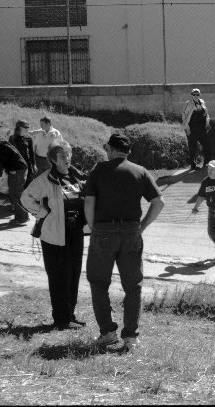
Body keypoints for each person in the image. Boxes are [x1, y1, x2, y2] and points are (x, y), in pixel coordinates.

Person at [84, 133, 165, 352]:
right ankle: (130, 336)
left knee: (99, 282)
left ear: (110, 149)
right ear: (128, 151)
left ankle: (108, 333)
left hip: (103, 230)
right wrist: (142, 226)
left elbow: (89, 203)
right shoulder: (140, 171)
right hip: (131, 230)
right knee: (133, 285)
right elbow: (158, 203)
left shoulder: (99, 170)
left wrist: (93, 228)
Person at [21, 141, 87, 331]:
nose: (67, 159)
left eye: (68, 154)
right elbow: (25, 198)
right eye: (62, 156)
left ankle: (70, 315)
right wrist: (42, 213)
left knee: (74, 274)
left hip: (75, 232)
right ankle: (61, 319)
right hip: (53, 234)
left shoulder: (77, 176)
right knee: (59, 276)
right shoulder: (44, 179)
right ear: (53, 160)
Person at [0, 131, 29, 223]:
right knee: (14, 193)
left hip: (17, 169)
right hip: (17, 169)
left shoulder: (1, 146)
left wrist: (12, 169)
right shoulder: (0, 144)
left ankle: (22, 218)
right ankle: (22, 217)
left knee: (16, 194)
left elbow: (13, 156)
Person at [182, 88, 212, 170]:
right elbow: (184, 116)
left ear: (199, 95)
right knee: (192, 147)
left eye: (197, 94)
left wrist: (207, 122)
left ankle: (206, 163)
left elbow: (207, 114)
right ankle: (193, 165)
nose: (195, 96)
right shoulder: (188, 103)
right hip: (193, 128)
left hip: (202, 128)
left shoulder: (202, 102)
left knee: (207, 145)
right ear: (191, 95)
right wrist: (186, 127)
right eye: (194, 94)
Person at [9, 120, 36, 187]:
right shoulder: (12, 138)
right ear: (20, 128)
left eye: (28, 128)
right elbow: (9, 152)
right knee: (18, 182)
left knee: (28, 180)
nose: (27, 129)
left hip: (27, 163)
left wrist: (34, 165)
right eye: (25, 128)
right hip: (17, 163)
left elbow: (31, 153)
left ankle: (25, 195)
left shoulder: (29, 138)